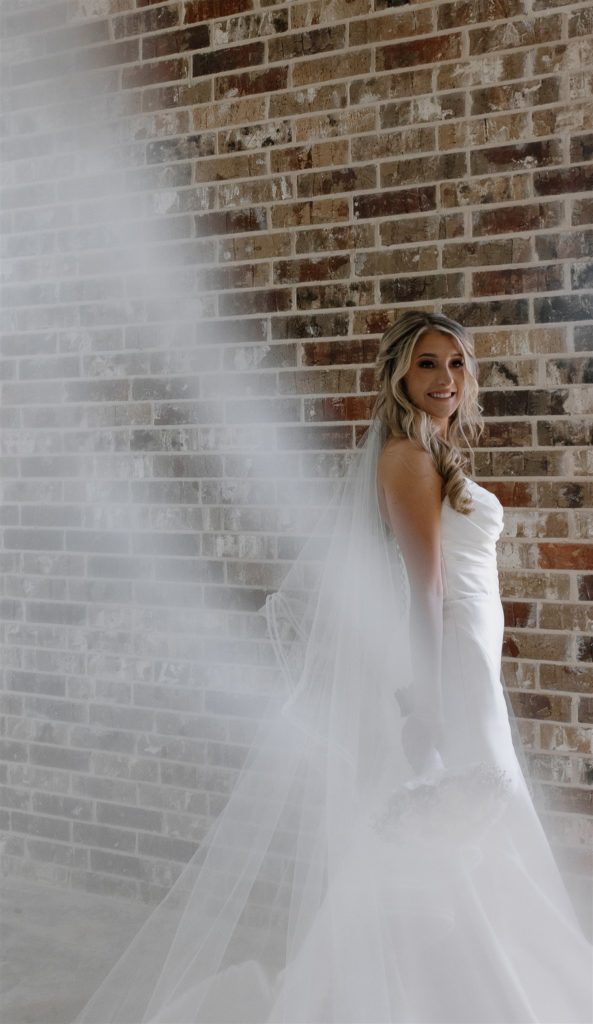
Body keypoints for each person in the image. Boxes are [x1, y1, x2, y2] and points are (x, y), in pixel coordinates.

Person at [75, 310, 592, 1024]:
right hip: (444, 663)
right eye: (426, 365)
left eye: (455, 364)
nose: (444, 379)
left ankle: (462, 980)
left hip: (467, 658)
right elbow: (424, 587)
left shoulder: (431, 450)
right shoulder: (405, 458)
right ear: (397, 376)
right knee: (452, 815)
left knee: (468, 815)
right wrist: (424, 698)